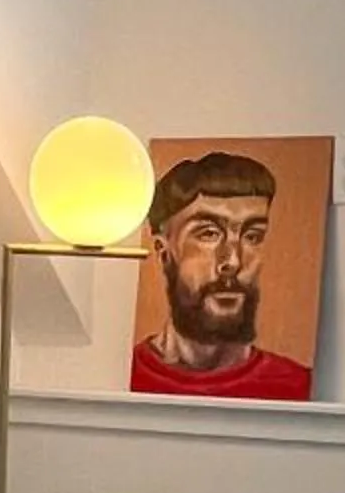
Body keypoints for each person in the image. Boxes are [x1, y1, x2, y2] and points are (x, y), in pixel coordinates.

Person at [129, 151, 314, 399]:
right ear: (164, 252)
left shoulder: (297, 387)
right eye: (208, 234)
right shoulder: (122, 376)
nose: (232, 261)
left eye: (252, 236)